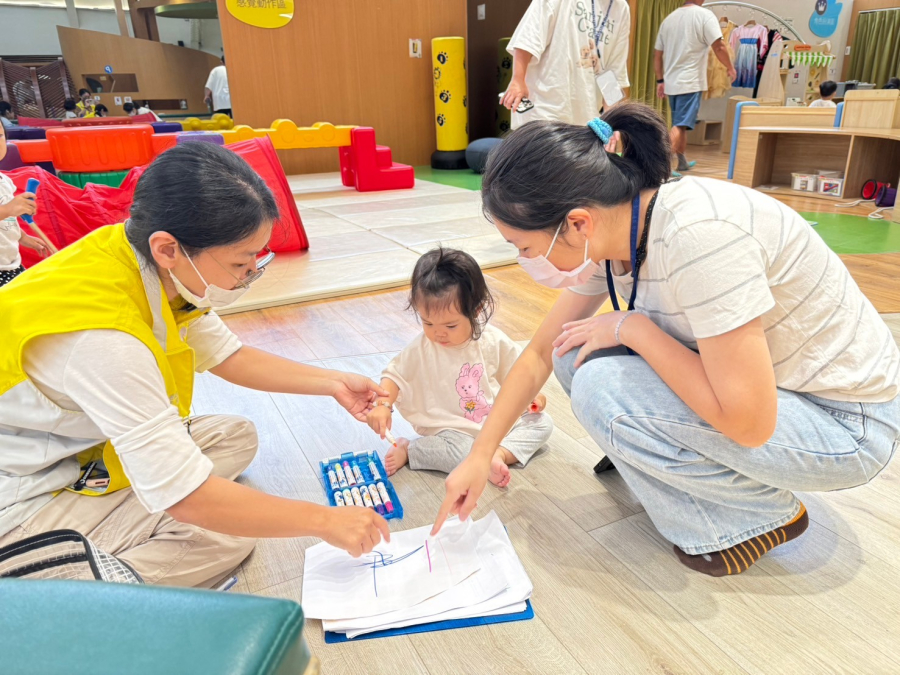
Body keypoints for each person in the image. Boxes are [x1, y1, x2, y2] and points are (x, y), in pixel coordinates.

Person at [432, 102, 900, 579]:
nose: (526, 260)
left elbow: (751, 423)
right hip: (780, 393)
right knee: (572, 350)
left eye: (525, 247)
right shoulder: (618, 226)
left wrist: (632, 328)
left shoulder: (699, 238)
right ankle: (680, 470)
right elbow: (538, 353)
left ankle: (754, 517)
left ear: (577, 223)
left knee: (604, 386)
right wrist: (480, 453)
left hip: (845, 424)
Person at [0, 143, 391, 587]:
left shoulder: (138, 257)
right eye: (241, 263)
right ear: (169, 249)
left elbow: (231, 356)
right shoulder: (105, 341)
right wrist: (326, 521)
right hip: (24, 486)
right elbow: (184, 496)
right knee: (220, 538)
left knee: (234, 435)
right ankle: (49, 595)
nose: (248, 276)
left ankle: (130, 509)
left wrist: (335, 381)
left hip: (78, 449)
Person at [366, 248, 553, 486]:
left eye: (451, 325)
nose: (438, 332)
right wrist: (383, 405)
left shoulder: (491, 340)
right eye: (427, 322)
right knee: (462, 453)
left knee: (543, 424)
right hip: (453, 432)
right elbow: (393, 376)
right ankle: (410, 450)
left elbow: (521, 372)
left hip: (495, 422)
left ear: (475, 310)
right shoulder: (422, 348)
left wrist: (532, 396)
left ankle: (499, 454)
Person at [501, 0, 631, 129]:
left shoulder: (621, 9)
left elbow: (612, 75)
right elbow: (529, 38)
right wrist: (518, 79)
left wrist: (610, 124)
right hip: (543, 112)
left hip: (585, 120)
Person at [655, 0, 736, 172]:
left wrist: (660, 81)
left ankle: (682, 161)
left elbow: (657, 54)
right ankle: (661, 166)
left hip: (672, 83)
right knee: (680, 124)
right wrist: (730, 67)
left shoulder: (669, 19)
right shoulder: (704, 15)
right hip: (689, 82)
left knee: (682, 123)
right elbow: (719, 46)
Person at [0, 124, 49, 286]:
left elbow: (7, 220)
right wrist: (7, 209)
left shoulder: (5, 181)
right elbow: (6, 212)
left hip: (12, 264)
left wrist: (22, 237)